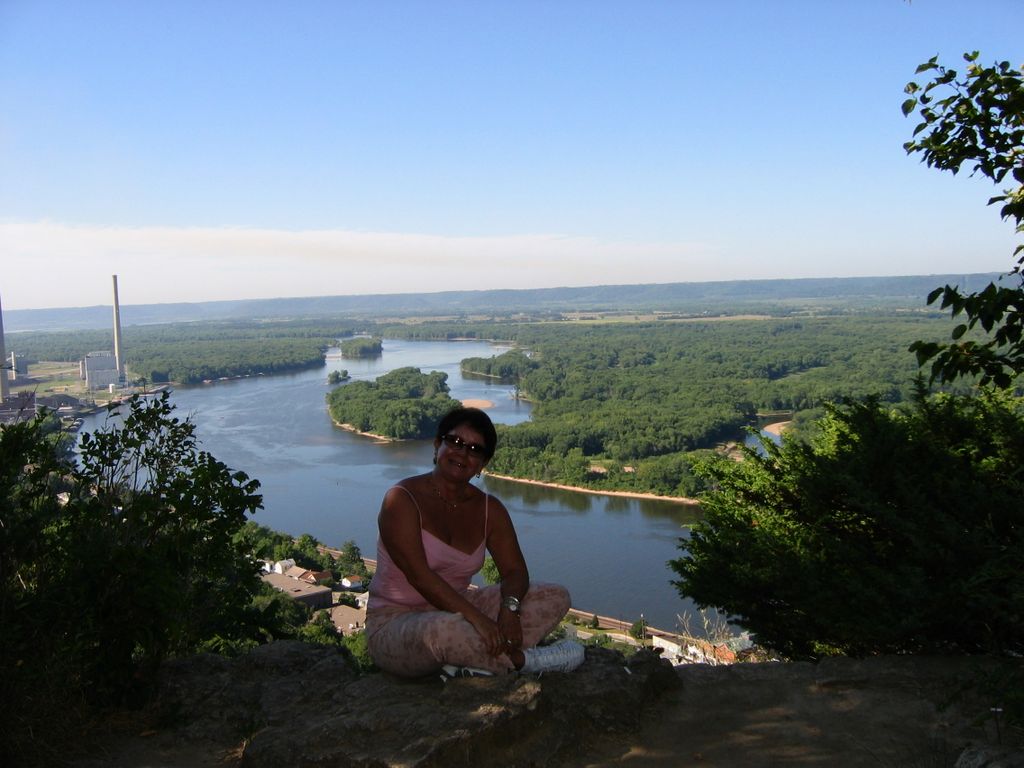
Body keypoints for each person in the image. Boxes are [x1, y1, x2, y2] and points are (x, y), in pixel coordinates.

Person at [365, 406, 585, 677]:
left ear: (483, 464)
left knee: (555, 596)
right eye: (455, 442)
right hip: (394, 622)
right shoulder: (401, 499)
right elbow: (419, 576)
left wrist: (510, 608)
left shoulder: (489, 510)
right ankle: (525, 663)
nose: (463, 453)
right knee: (446, 630)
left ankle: (469, 661)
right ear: (437, 445)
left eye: (475, 449)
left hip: (460, 605)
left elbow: (515, 572)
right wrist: (479, 621)